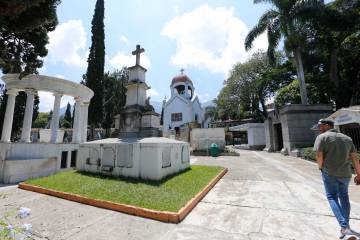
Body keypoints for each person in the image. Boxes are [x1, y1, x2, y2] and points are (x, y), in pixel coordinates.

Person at [313, 119, 360, 239]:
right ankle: (346, 227)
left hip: (330, 173)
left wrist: (320, 167)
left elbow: (319, 155)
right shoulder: (347, 138)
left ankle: (344, 228)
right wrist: (359, 174)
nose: (319, 127)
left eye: (320, 125)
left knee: (332, 197)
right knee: (344, 197)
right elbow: (354, 157)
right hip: (345, 174)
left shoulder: (322, 137)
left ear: (327, 125)